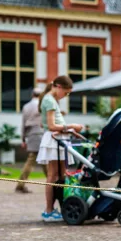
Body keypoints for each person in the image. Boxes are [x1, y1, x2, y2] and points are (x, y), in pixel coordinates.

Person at [36, 76, 83, 222]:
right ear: (58, 87)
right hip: (54, 140)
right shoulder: (49, 100)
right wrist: (71, 126)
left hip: (59, 139)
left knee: (62, 174)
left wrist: (68, 131)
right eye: (66, 93)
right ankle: (49, 211)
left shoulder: (52, 100)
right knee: (52, 175)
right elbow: (50, 126)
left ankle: (62, 207)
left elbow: (48, 124)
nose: (66, 96)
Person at [15, 88, 47, 194]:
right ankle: (54, 185)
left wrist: (23, 138)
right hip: (41, 134)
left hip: (31, 134)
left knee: (40, 160)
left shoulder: (26, 106)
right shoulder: (43, 105)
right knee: (41, 159)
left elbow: (23, 123)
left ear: (32, 94)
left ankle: (21, 184)